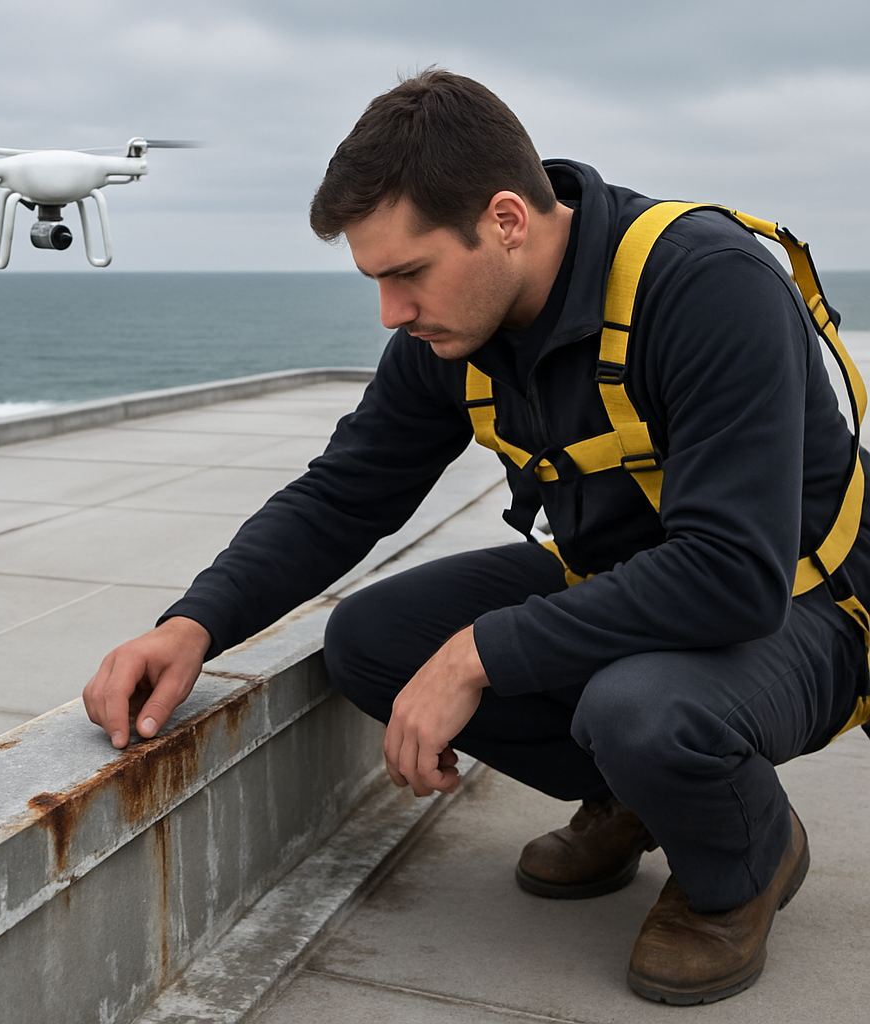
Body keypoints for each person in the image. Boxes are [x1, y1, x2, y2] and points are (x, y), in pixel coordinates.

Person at [83, 69, 870, 1005]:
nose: (392, 312)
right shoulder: (454, 332)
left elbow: (732, 576)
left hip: (806, 603)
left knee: (640, 709)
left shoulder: (705, 284)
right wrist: (193, 625)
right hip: (627, 589)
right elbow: (346, 494)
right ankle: (635, 798)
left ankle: (748, 860)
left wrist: (480, 653)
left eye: (407, 273)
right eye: (376, 280)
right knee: (370, 642)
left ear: (505, 220)